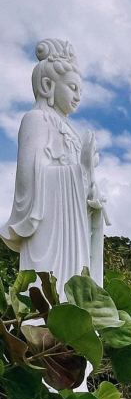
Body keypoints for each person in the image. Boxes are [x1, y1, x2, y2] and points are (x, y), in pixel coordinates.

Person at [1, 39, 106, 295]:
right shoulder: (36, 120)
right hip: (49, 228)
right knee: (45, 293)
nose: (78, 96)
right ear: (48, 85)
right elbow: (28, 179)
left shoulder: (71, 131)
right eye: (72, 87)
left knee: (74, 292)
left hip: (74, 229)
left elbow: (82, 182)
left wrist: (90, 190)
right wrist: (77, 171)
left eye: (80, 90)